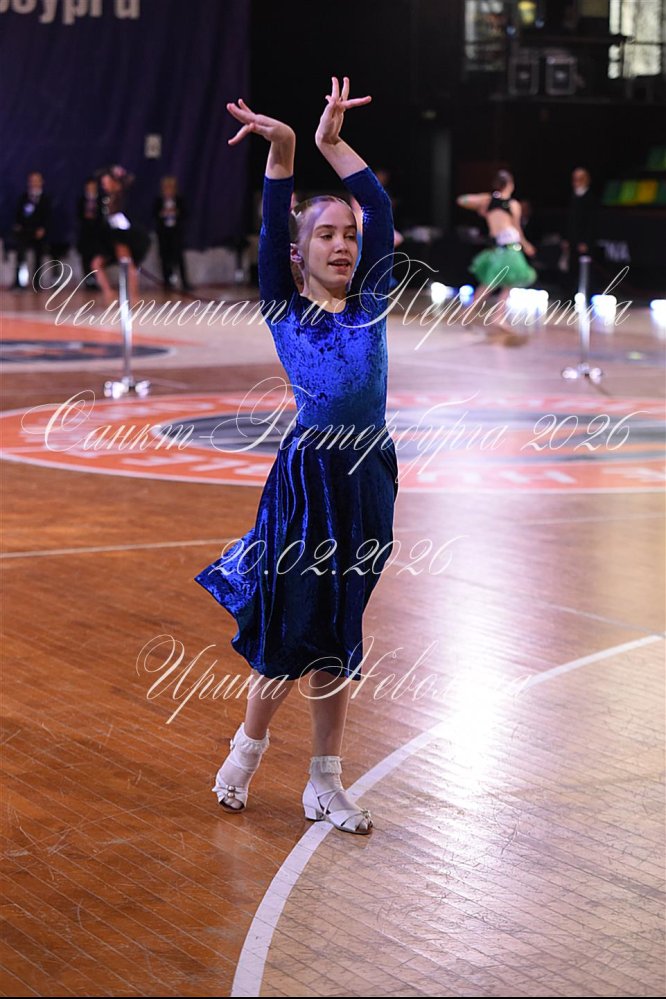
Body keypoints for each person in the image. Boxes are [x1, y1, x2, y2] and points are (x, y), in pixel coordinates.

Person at [194, 77, 399, 835]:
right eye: (326, 235)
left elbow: (378, 209)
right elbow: (274, 210)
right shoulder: (284, 304)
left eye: (348, 235)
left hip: (368, 477)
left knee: (339, 633)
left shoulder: (372, 300)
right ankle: (246, 751)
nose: (343, 244)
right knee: (289, 630)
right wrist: (284, 147)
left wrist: (331, 144)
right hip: (309, 481)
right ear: (297, 252)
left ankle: (324, 782)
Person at [457, 169, 537, 336]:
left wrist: (482, 205)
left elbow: (462, 200)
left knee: (491, 284)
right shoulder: (513, 204)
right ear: (510, 185)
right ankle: (497, 316)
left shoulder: (488, 200)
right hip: (510, 248)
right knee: (502, 284)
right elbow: (517, 228)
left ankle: (471, 313)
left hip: (497, 248)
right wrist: (526, 245)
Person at [90, 164, 150, 306]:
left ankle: (134, 297)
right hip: (111, 237)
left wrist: (120, 175)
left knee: (127, 264)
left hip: (124, 237)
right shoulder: (107, 198)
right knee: (96, 264)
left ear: (114, 182)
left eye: (106, 182)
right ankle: (109, 293)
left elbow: (130, 181)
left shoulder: (123, 194)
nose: (104, 186)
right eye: (103, 183)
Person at [561, 166, 597, 298]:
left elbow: (591, 223)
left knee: (584, 270)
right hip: (572, 240)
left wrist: (585, 241)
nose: (576, 182)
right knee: (571, 268)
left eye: (579, 179)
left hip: (583, 241)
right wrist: (566, 238)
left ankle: (585, 295)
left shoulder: (589, 198)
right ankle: (570, 296)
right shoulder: (573, 196)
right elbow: (569, 220)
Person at [153, 175, 192, 291]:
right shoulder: (159, 201)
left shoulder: (179, 200)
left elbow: (185, 214)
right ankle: (167, 282)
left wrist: (176, 212)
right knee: (165, 257)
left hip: (176, 232)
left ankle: (184, 282)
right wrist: (162, 213)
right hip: (163, 233)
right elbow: (154, 215)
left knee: (179, 257)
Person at [12, 171, 51, 290]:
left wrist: (43, 228)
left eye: (37, 180)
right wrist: (19, 226)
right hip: (25, 232)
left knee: (38, 257)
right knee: (20, 256)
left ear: (41, 182)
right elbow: (19, 214)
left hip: (39, 232)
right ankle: (19, 282)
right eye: (32, 180)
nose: (34, 183)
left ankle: (36, 283)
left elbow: (48, 216)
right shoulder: (24, 197)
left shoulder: (45, 199)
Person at [76, 177, 101, 290]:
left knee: (96, 258)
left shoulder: (102, 200)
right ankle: (88, 281)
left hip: (97, 235)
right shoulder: (81, 200)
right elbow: (78, 216)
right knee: (86, 258)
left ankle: (97, 280)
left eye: (93, 187)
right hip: (85, 235)